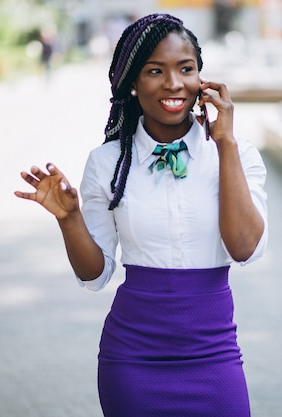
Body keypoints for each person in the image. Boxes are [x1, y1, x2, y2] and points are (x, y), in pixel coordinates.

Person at [15, 13, 267, 417]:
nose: (173, 84)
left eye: (186, 69)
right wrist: (69, 219)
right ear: (132, 82)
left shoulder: (236, 154)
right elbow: (94, 275)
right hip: (133, 359)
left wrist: (226, 144)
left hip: (214, 354)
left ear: (201, 77)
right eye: (155, 71)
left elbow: (244, 249)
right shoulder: (107, 162)